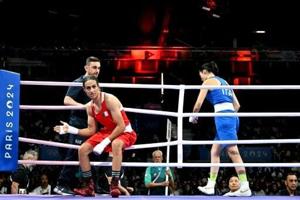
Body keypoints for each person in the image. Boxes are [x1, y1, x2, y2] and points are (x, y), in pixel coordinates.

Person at [54, 75, 137, 197]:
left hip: (125, 131)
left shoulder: (110, 100)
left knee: (116, 144)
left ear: (99, 87)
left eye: (94, 87)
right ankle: (89, 186)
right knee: (82, 150)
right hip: (106, 131)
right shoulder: (89, 107)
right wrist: (71, 130)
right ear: (84, 90)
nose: (92, 90)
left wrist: (104, 143)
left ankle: (114, 184)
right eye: (88, 88)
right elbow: (91, 130)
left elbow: (121, 126)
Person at [189, 61, 251, 196]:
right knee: (215, 151)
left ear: (204, 72)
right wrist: (229, 117)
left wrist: (193, 116)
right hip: (231, 117)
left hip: (224, 118)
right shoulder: (225, 83)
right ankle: (211, 185)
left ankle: (245, 186)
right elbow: (237, 105)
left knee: (233, 151)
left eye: (201, 75)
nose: (201, 78)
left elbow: (198, 103)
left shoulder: (207, 82)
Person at [53, 56, 101, 195]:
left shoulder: (96, 84)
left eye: (98, 68)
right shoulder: (79, 82)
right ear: (86, 68)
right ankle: (61, 184)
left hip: (92, 124)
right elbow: (66, 100)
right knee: (74, 154)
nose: (97, 70)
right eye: (94, 67)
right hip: (78, 123)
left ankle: (90, 186)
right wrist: (83, 107)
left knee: (91, 155)